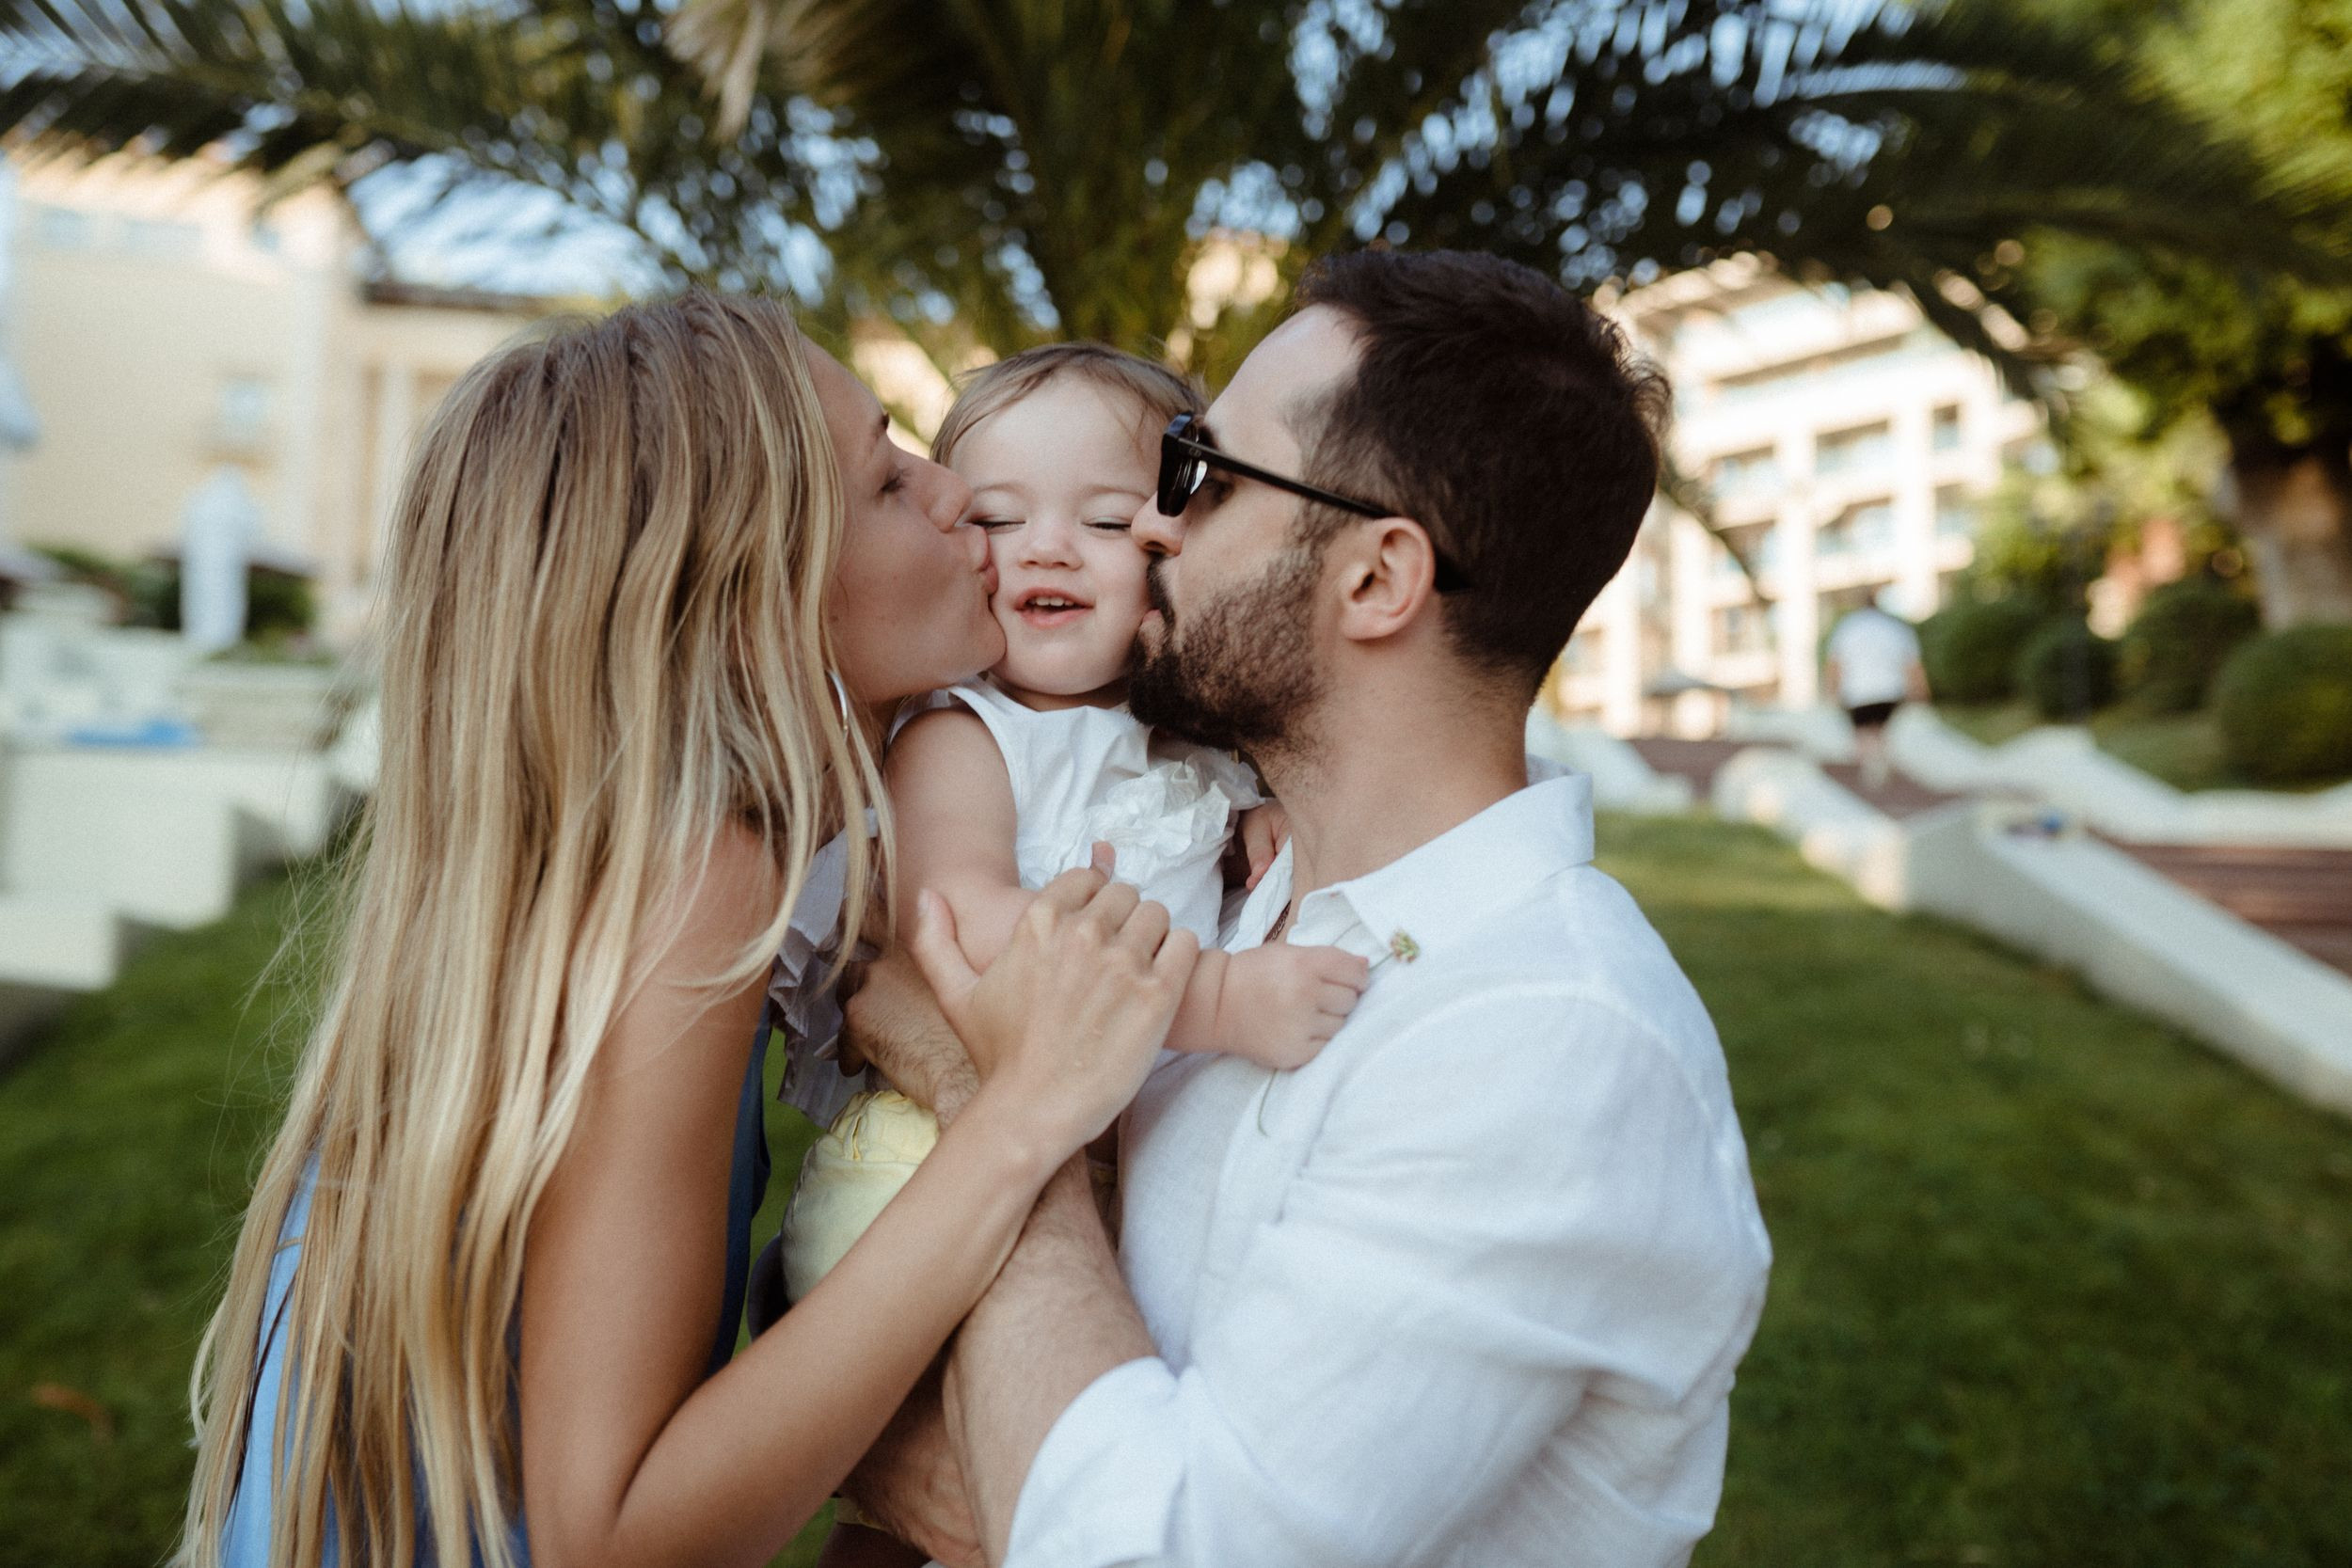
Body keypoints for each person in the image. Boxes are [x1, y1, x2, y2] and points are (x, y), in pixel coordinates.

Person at [178, 293, 1197, 1568]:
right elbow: (614, 1533)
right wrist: (1020, 1114)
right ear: (748, 602)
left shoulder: (651, 860)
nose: (958, 493)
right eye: (889, 479)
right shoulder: (700, 880)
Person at [842, 250, 1774, 1568]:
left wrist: (988, 1092)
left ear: (1378, 580)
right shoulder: (1236, 880)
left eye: (1200, 475)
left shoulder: (1551, 1043)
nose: (1152, 526)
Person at [775, 344, 1368, 1313]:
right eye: (996, 518)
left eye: (1103, 520)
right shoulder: (965, 740)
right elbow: (958, 925)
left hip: (1101, 1172)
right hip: (921, 1176)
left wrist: (1256, 817)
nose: (1046, 547)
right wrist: (1212, 995)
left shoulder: (1185, 748)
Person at [1824, 593, 1927, 790]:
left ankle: (1868, 779)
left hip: (1857, 691)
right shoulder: (1896, 627)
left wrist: (1832, 691)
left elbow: (1834, 665)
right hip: (1890, 690)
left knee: (1862, 734)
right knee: (1882, 732)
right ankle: (1881, 769)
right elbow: (1912, 665)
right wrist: (1921, 691)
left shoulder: (1847, 627)